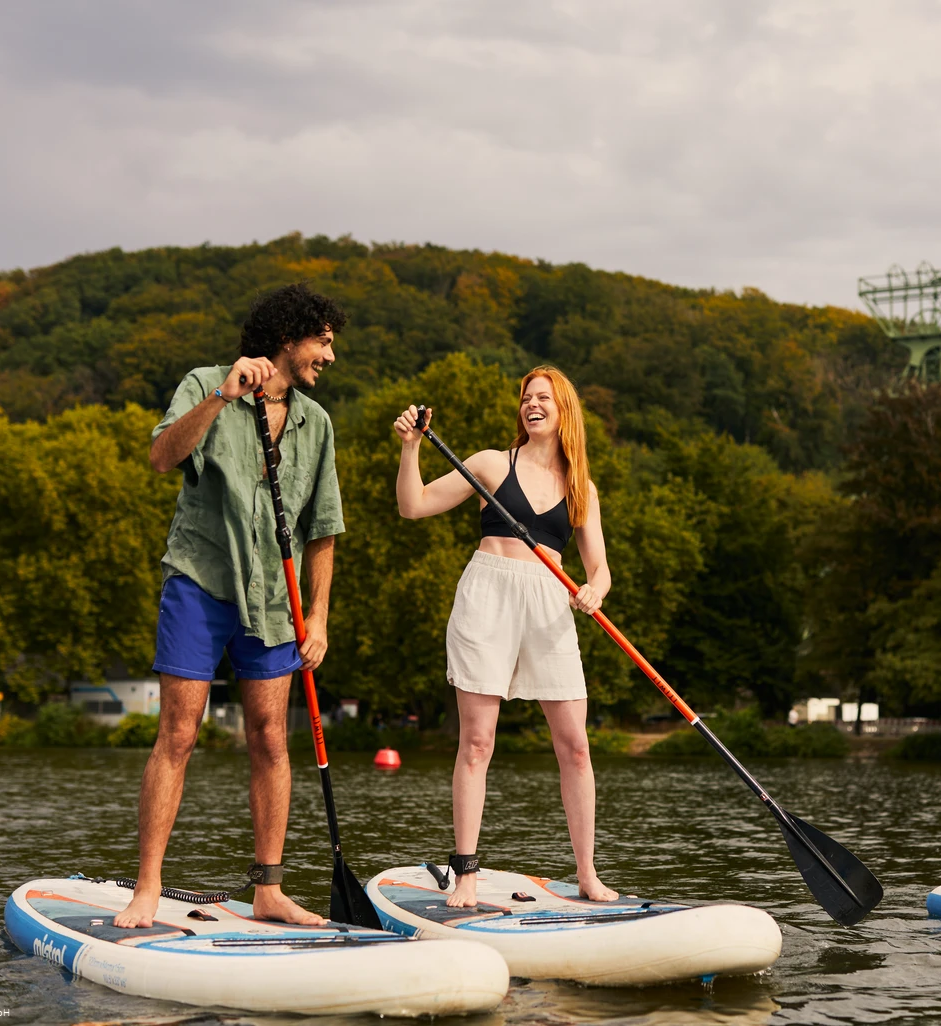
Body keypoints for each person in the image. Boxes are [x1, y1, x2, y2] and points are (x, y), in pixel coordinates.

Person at [113, 283, 346, 929]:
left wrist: (319, 617)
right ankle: (148, 888)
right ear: (288, 338)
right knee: (179, 734)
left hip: (278, 600)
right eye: (323, 342)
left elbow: (323, 530)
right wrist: (223, 398)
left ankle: (269, 890)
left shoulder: (316, 424)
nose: (330, 356)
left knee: (272, 738)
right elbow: (162, 456)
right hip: (200, 581)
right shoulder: (205, 382)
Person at [393, 366, 618, 908]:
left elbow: (601, 570)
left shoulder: (580, 487)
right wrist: (409, 448)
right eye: (525, 398)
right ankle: (466, 873)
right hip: (488, 595)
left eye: (543, 397)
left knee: (577, 747)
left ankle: (587, 874)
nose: (531, 405)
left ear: (565, 409)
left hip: (549, 606)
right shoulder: (492, 464)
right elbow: (414, 505)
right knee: (477, 742)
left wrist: (594, 591)